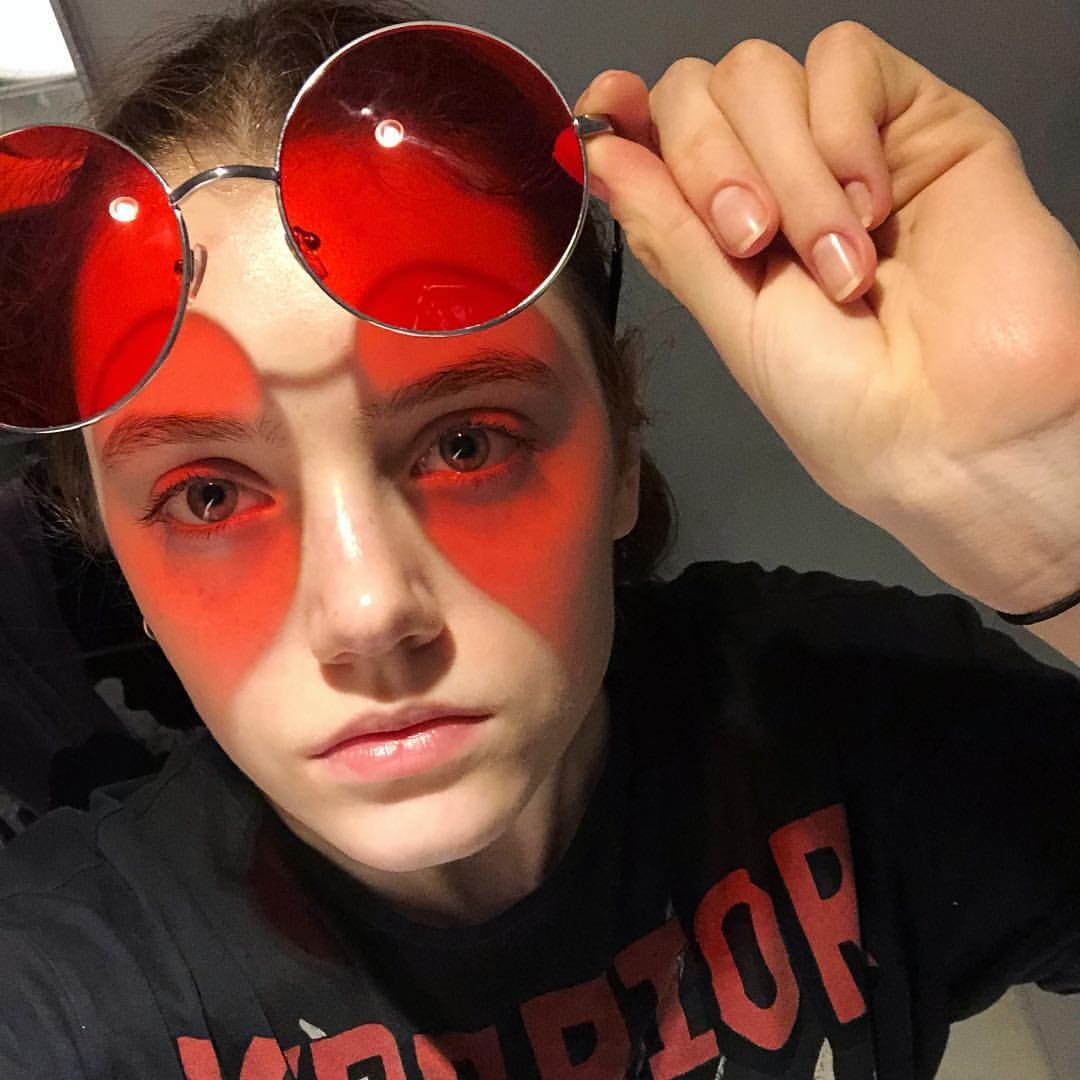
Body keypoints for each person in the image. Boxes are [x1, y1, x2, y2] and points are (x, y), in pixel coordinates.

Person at [0, 0, 1077, 1077]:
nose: (368, 613)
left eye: (464, 444)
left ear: (622, 446)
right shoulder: (63, 986)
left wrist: (1047, 511)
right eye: (207, 498)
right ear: (114, 550)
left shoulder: (840, 725)